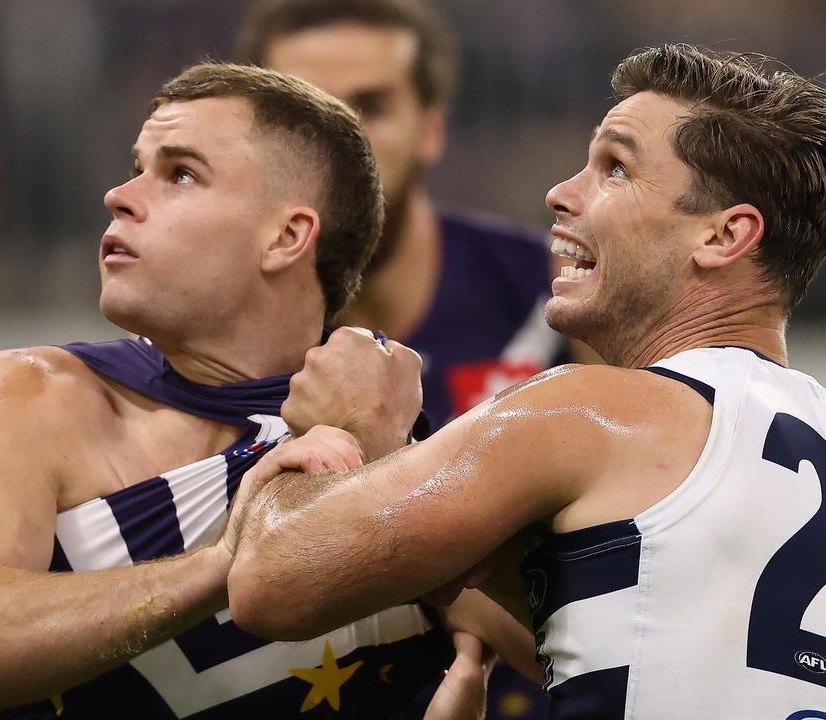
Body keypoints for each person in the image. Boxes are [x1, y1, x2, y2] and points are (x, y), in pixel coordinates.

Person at [226, 45, 826, 719]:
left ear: (724, 236)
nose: (561, 193)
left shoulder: (591, 409)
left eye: (615, 168)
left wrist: (346, 432)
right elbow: (645, 653)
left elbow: (269, 582)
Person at [0, 62, 532, 719]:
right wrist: (222, 568)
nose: (120, 195)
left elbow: (583, 655)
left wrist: (387, 464)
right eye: (136, 166)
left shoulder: (404, 458)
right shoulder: (28, 398)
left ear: (286, 236)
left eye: (180, 174)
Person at [237, 0, 596, 433]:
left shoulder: (556, 293)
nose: (340, 141)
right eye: (303, 114)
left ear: (431, 129)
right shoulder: (218, 331)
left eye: (370, 107)